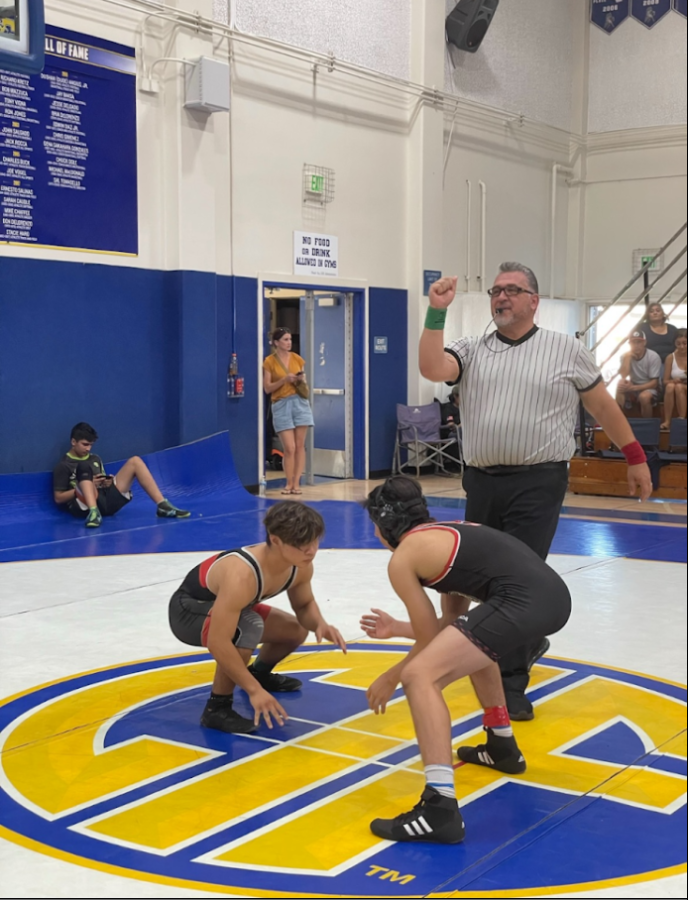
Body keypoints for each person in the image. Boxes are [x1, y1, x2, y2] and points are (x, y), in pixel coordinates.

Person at [419, 263, 652, 722]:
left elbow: (602, 405)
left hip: (538, 480)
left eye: (512, 290)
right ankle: (524, 645)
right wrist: (436, 312)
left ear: (533, 300)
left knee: (518, 580)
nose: (501, 297)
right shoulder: (472, 348)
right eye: (496, 290)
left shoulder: (566, 349)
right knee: (479, 576)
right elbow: (431, 366)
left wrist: (635, 456)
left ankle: (509, 683)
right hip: (482, 479)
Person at [361, 476, 571, 844]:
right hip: (551, 597)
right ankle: (501, 744)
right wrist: (397, 627)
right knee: (475, 644)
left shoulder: (404, 556)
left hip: (525, 601)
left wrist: (392, 676)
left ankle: (439, 807)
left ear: (384, 526)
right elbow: (446, 628)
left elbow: (430, 640)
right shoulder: (444, 534)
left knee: (419, 677)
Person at [168, 501, 346, 734]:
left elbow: (304, 606)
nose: (311, 550)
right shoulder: (242, 575)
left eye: (314, 541)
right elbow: (218, 641)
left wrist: (320, 624)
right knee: (249, 626)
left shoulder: (301, 565)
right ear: (275, 540)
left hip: (227, 608)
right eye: (302, 544)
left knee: (296, 630)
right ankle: (217, 708)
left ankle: (258, 674)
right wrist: (253, 692)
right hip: (187, 612)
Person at [52, 422, 190, 528]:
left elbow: (102, 481)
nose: (88, 448)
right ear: (73, 442)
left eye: (91, 445)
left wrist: (107, 482)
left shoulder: (95, 458)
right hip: (83, 506)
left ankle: (162, 505)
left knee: (135, 461)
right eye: (85, 444)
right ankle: (93, 513)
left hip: (105, 501)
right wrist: (86, 485)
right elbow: (59, 498)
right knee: (84, 467)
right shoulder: (64, 465)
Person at [263, 328, 314, 495]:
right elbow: (267, 388)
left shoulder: (297, 359)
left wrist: (299, 379)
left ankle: (297, 483)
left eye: (290, 339)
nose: (289, 342)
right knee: (289, 447)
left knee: (300, 445)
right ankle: (288, 481)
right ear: (276, 342)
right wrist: (284, 380)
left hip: (299, 402)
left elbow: (304, 382)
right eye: (285, 339)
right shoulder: (269, 362)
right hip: (281, 403)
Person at [616, 330, 663, 418]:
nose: (636, 345)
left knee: (644, 397)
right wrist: (627, 358)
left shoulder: (653, 356)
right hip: (634, 385)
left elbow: (654, 383)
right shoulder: (625, 356)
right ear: (629, 344)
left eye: (639, 342)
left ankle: (647, 425)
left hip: (651, 388)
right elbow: (623, 375)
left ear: (644, 343)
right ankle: (619, 420)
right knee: (621, 385)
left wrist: (633, 388)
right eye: (633, 342)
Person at [661, 329, 688, 431]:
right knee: (671, 386)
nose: (682, 347)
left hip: (683, 386)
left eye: (685, 344)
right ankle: (667, 421)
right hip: (677, 386)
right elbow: (665, 381)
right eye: (678, 344)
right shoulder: (670, 357)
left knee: (679, 387)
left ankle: (681, 419)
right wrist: (673, 381)